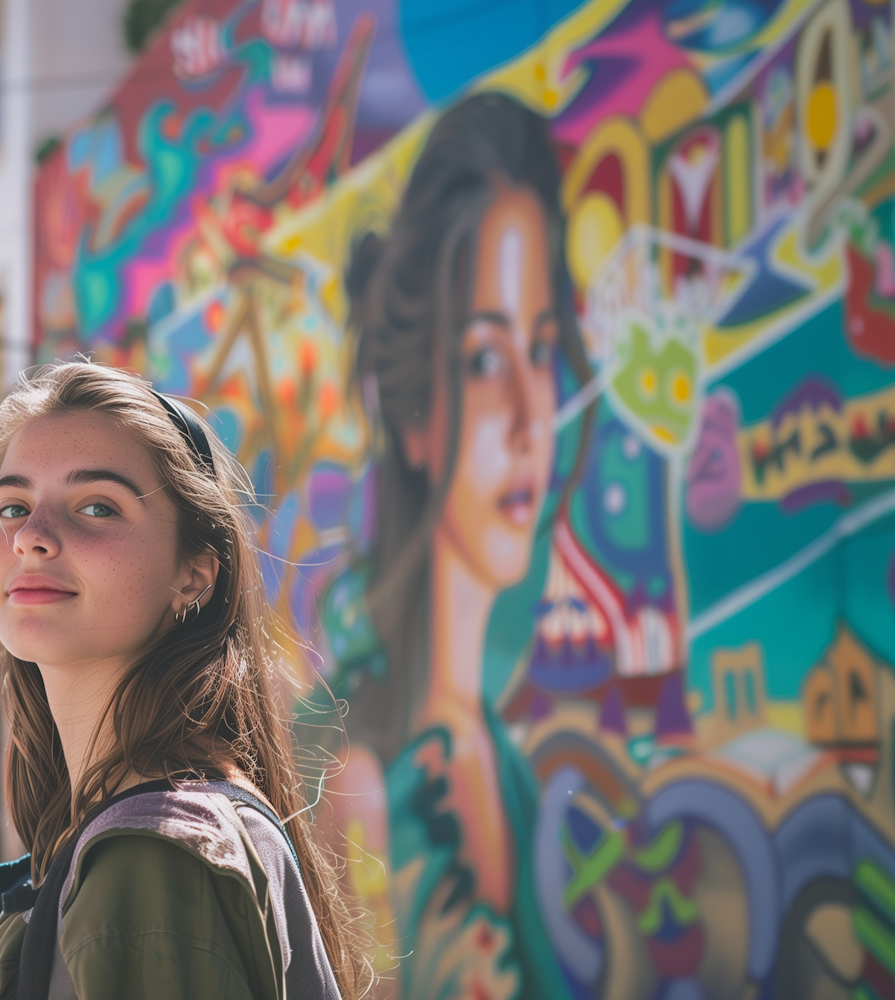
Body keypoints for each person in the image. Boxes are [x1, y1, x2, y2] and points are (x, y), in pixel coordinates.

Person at [0, 362, 363, 1000]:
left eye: (97, 506)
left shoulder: (153, 853)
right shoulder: (114, 830)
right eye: (12, 505)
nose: (31, 536)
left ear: (193, 575)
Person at [329, 91, 593, 995]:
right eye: (485, 359)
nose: (531, 417)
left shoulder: (504, 764)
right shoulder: (360, 782)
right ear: (414, 418)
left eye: (542, 350)